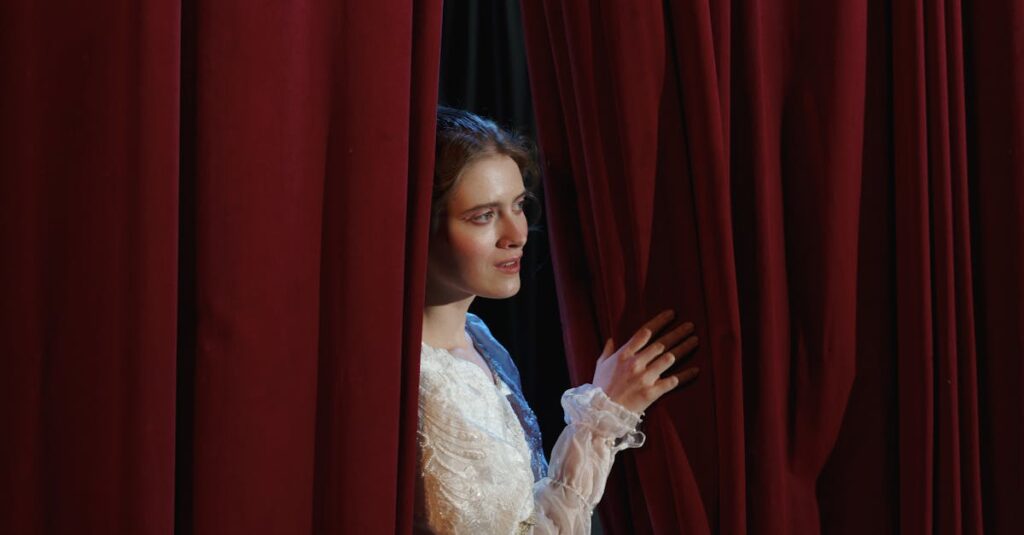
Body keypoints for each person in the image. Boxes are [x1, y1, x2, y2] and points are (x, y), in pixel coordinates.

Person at [416, 106, 700, 534]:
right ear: (421, 225)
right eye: (483, 216)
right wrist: (601, 417)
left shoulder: (479, 337)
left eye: (518, 205)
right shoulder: (422, 381)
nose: (517, 233)